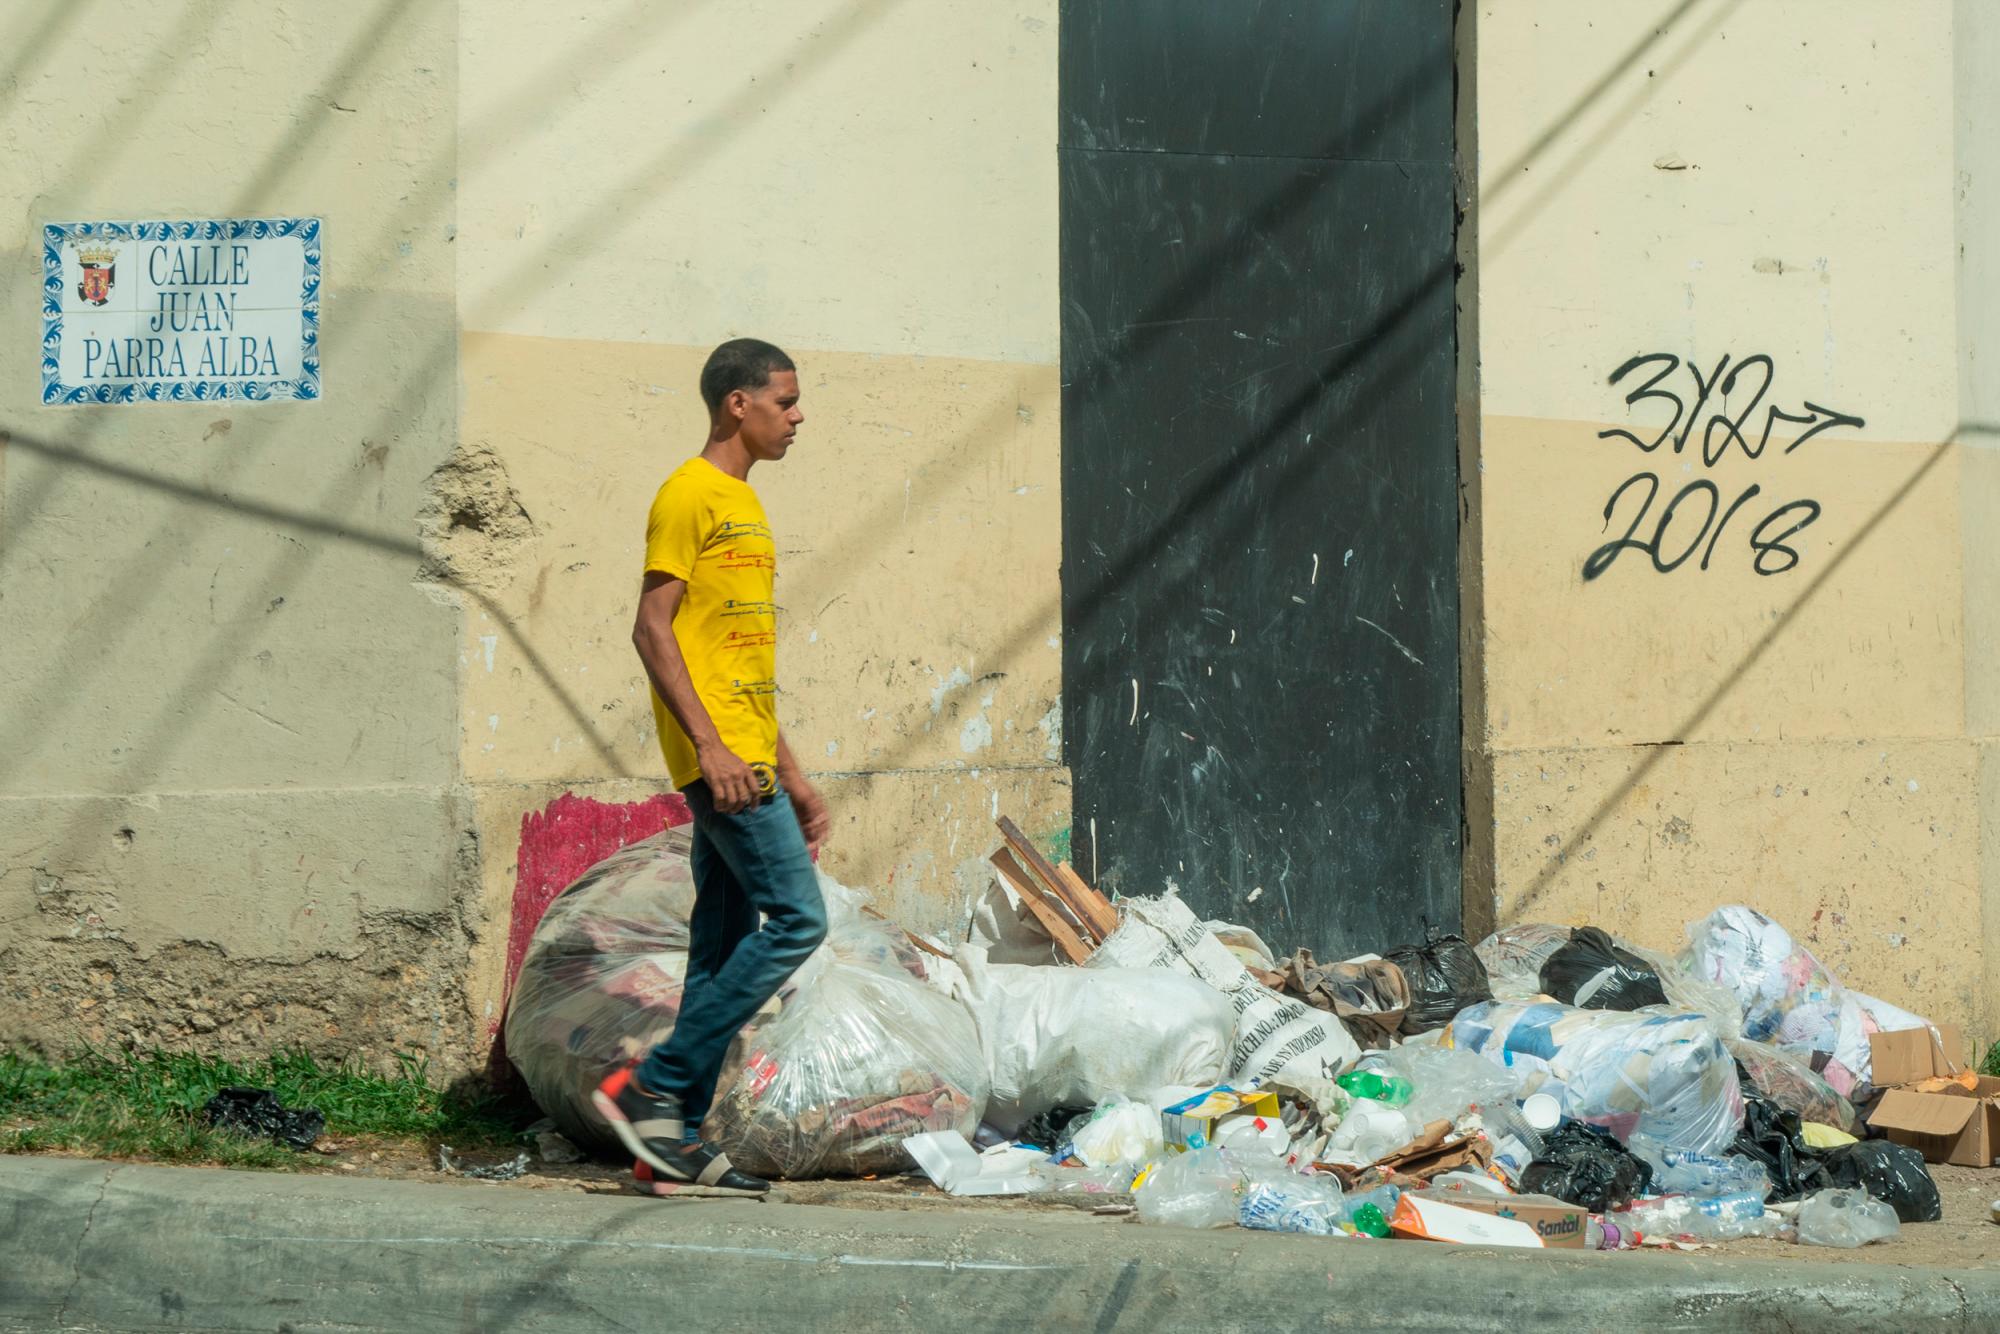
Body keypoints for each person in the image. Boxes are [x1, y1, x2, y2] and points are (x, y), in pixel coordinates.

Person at [593, 337, 830, 1193]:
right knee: (800, 921)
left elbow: (739, 659)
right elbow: (652, 629)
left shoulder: (746, 505)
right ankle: (652, 1084)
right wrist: (712, 748)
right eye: (786, 400)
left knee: (721, 944)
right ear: (740, 402)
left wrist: (793, 771)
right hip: (722, 760)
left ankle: (668, 1144)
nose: (799, 416)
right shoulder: (687, 495)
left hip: (748, 753)